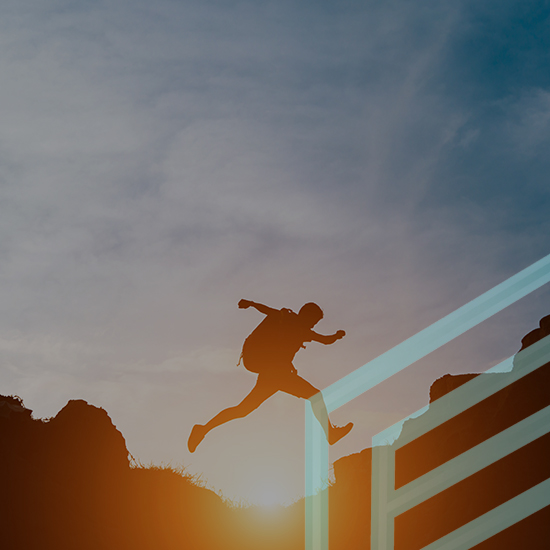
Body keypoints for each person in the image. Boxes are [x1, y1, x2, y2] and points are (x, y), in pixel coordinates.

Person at [187, 299, 353, 453]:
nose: (313, 325)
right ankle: (330, 434)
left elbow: (324, 340)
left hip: (272, 376)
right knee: (315, 396)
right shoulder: (287, 318)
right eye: (313, 321)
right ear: (305, 315)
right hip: (275, 374)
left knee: (243, 410)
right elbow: (268, 310)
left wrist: (336, 336)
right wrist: (251, 304)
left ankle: (203, 429)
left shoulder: (302, 330)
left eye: (315, 323)